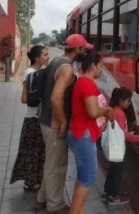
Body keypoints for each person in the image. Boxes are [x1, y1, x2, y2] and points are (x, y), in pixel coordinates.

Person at [36, 34, 92, 213]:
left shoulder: (56, 60)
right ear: (76, 50)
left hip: (45, 120)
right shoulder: (67, 69)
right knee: (57, 166)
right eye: (83, 48)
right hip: (53, 123)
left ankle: (43, 197)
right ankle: (55, 205)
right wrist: (63, 120)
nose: (85, 51)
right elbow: (55, 97)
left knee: (50, 162)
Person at [67, 51, 115, 214]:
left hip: (80, 133)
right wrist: (108, 109)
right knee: (88, 179)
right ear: (93, 66)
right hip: (84, 135)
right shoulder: (87, 83)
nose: (102, 70)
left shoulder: (83, 82)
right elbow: (93, 112)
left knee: (82, 178)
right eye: (101, 66)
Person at [10, 45, 49, 191]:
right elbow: (25, 98)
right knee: (32, 152)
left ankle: (33, 180)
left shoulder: (37, 72)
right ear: (37, 58)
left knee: (36, 151)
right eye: (45, 55)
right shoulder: (30, 73)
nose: (48, 57)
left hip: (37, 118)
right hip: (33, 119)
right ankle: (31, 182)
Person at [102, 87, 139, 205]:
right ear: (121, 100)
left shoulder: (114, 110)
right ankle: (114, 196)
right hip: (117, 148)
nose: (129, 103)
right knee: (117, 172)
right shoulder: (120, 114)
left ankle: (107, 192)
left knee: (112, 170)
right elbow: (122, 133)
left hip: (113, 146)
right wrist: (136, 138)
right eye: (128, 101)